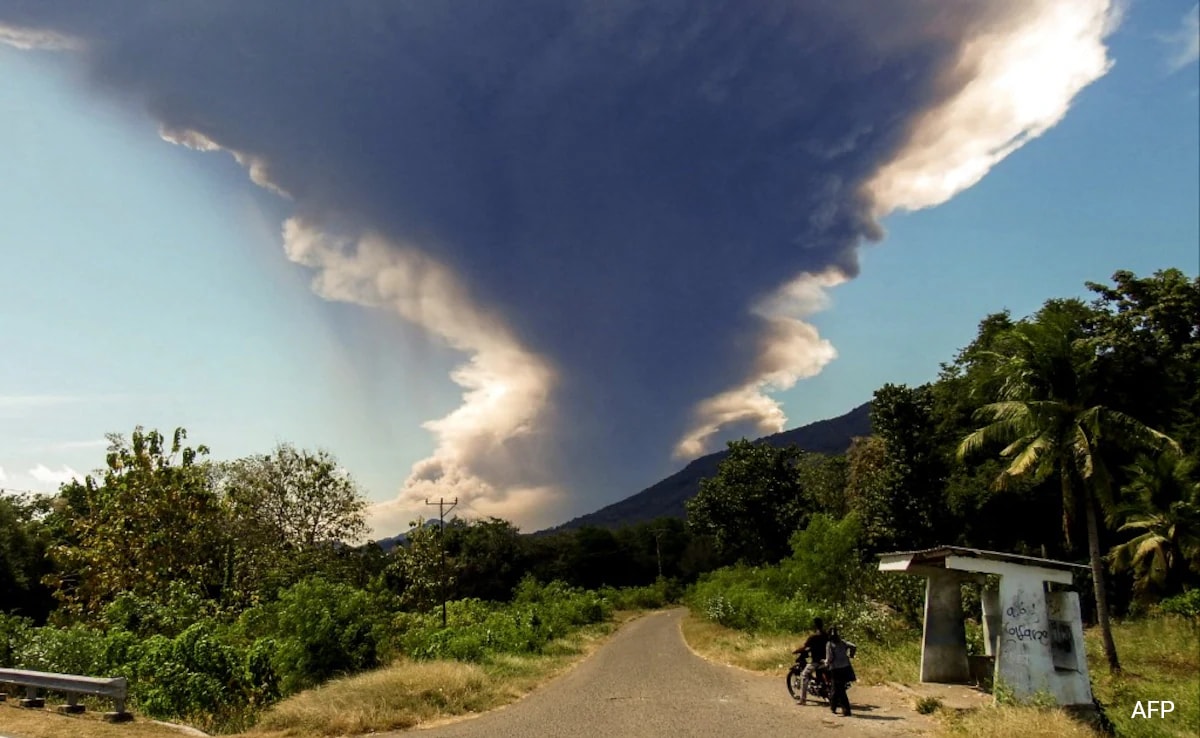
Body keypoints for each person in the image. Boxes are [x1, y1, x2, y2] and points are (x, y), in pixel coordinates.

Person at [792, 617, 829, 705]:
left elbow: (805, 647)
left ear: (815, 625)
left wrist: (796, 651)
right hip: (827, 660)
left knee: (804, 675)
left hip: (817, 661)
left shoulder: (813, 637)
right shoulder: (826, 635)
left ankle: (803, 699)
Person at [825, 626, 857, 716]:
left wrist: (826, 663)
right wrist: (851, 655)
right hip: (846, 667)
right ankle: (833, 707)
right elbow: (853, 646)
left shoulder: (829, 644)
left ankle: (846, 709)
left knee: (838, 689)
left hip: (836, 669)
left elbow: (830, 658)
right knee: (837, 688)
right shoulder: (842, 642)